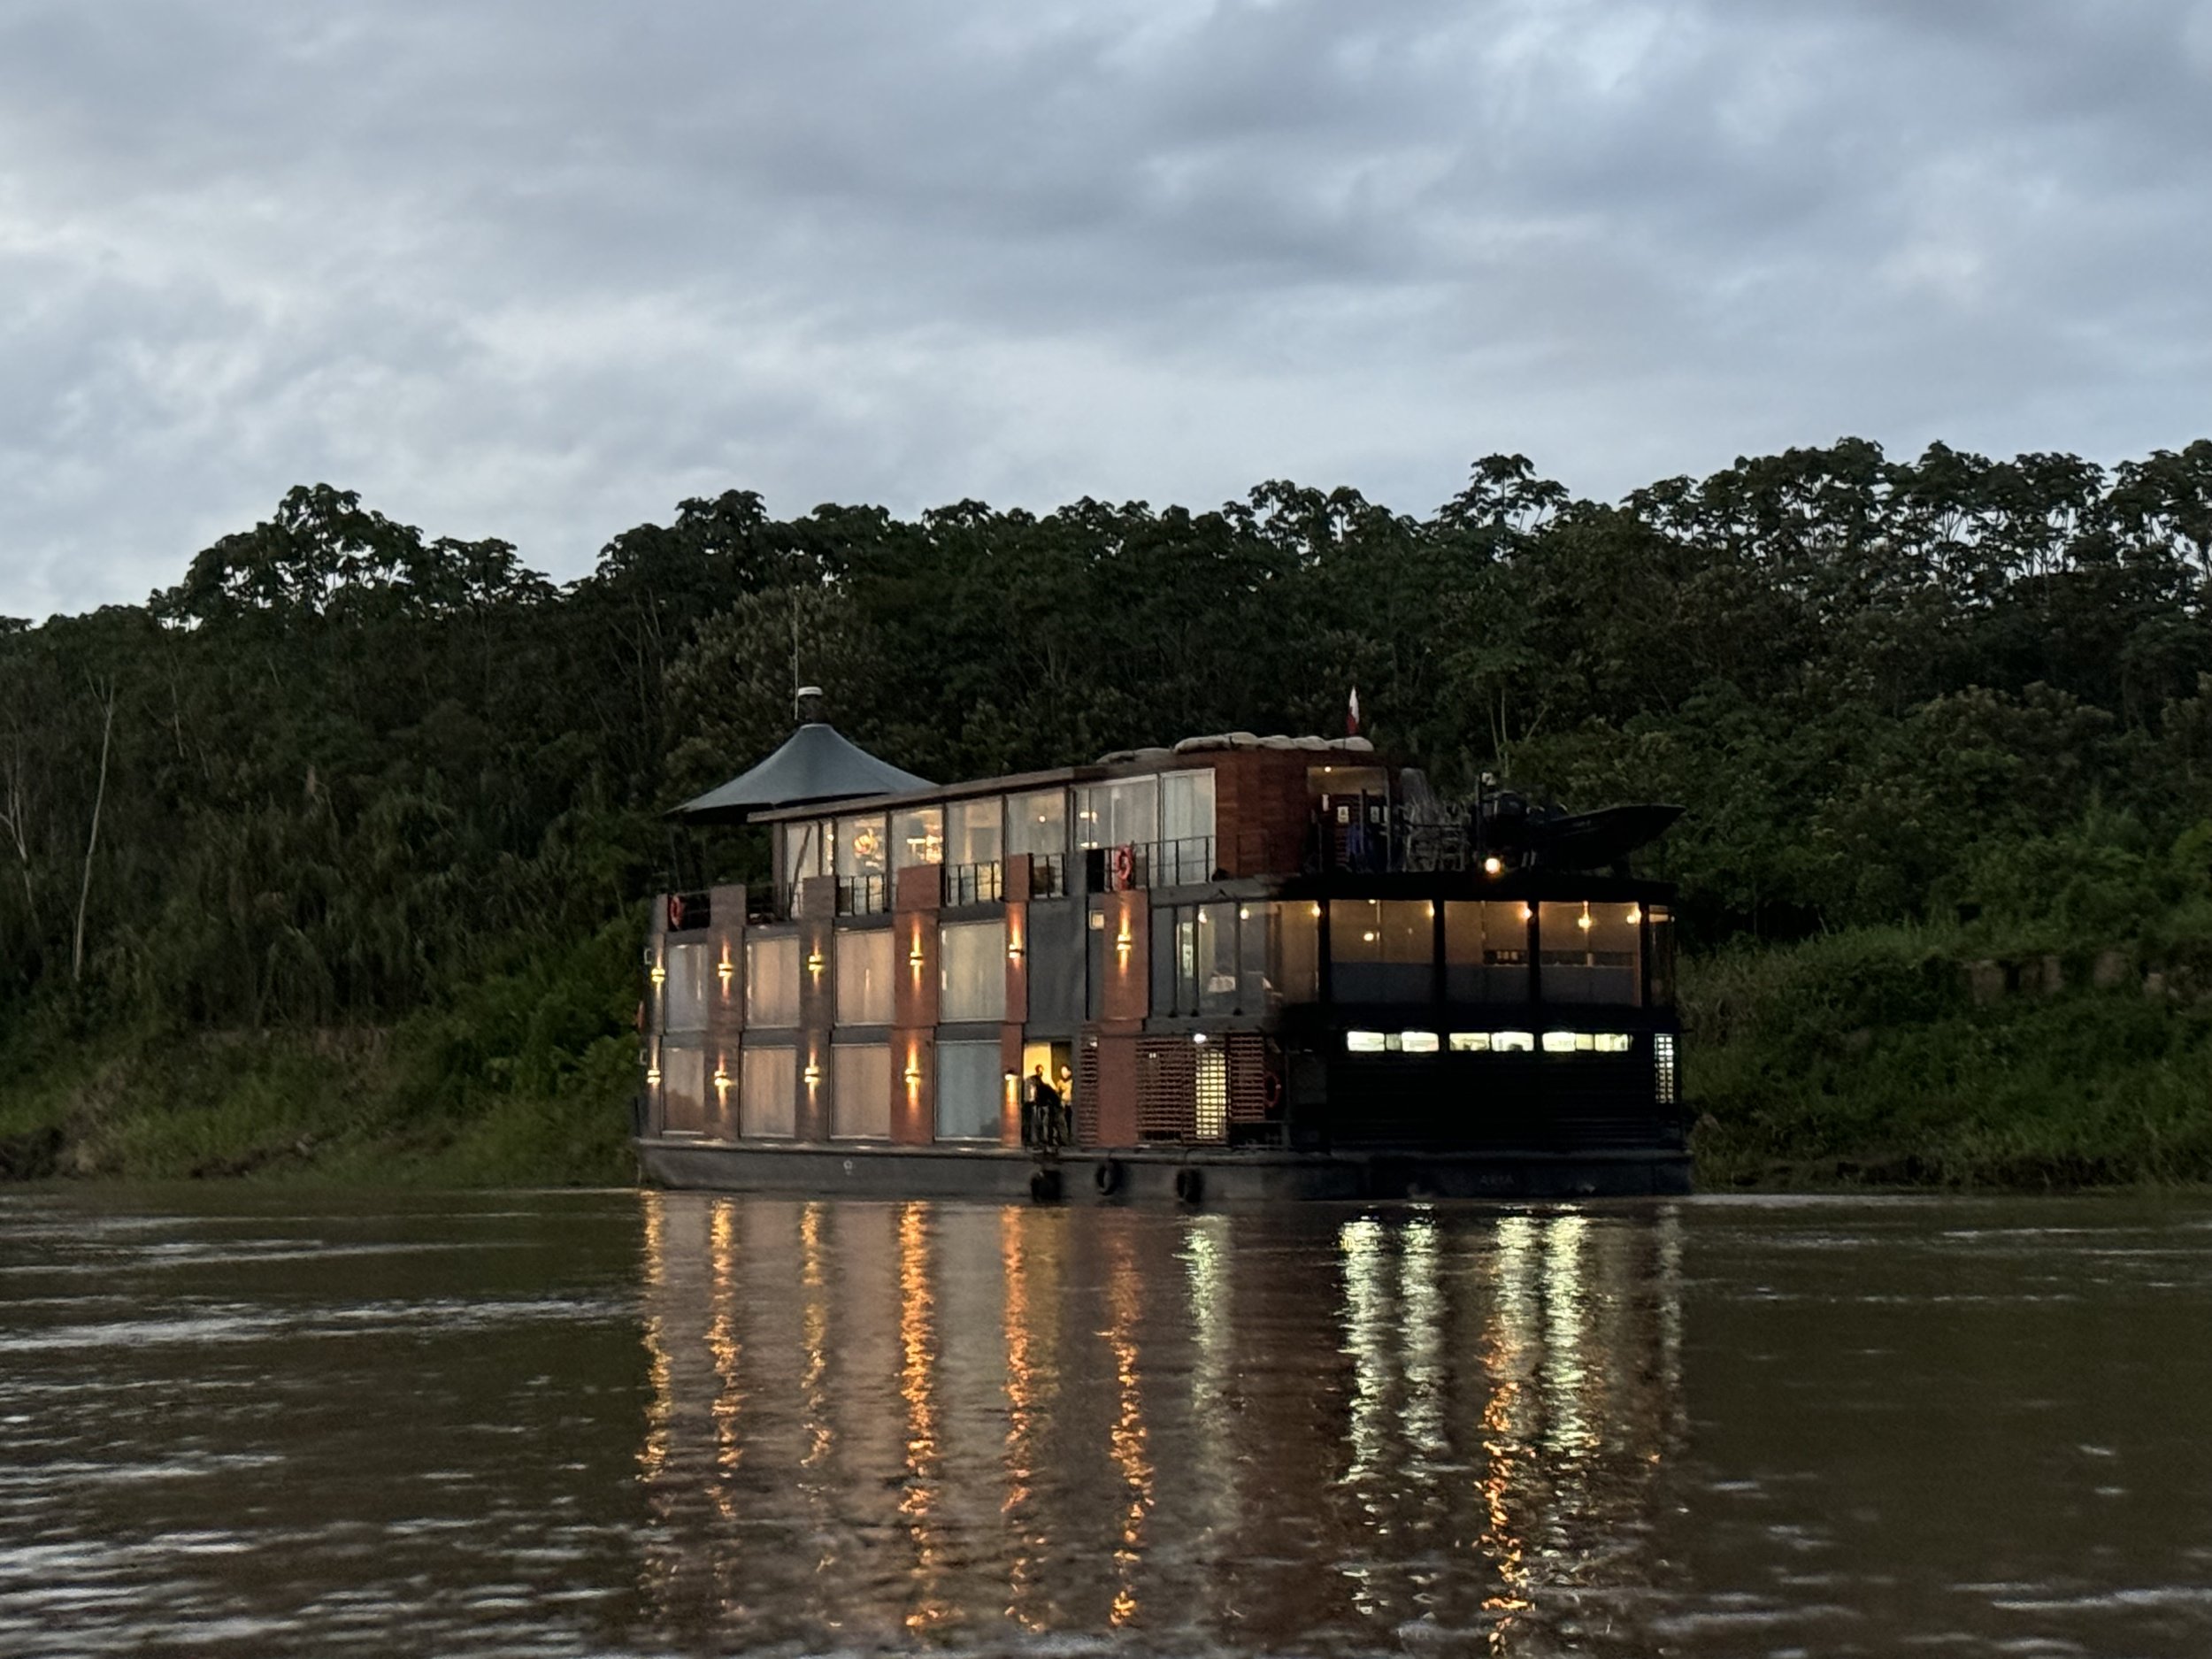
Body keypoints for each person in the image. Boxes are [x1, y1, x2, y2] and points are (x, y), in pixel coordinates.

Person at [1028, 1065, 1063, 1149]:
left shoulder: (1043, 1088)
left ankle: (1048, 1142)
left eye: (1033, 1081)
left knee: (1046, 1125)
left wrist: (1051, 1105)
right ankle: (1045, 1142)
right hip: (1044, 1108)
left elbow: (1053, 1098)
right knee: (1043, 1125)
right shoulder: (1041, 1088)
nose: (1032, 1083)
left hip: (1046, 1108)